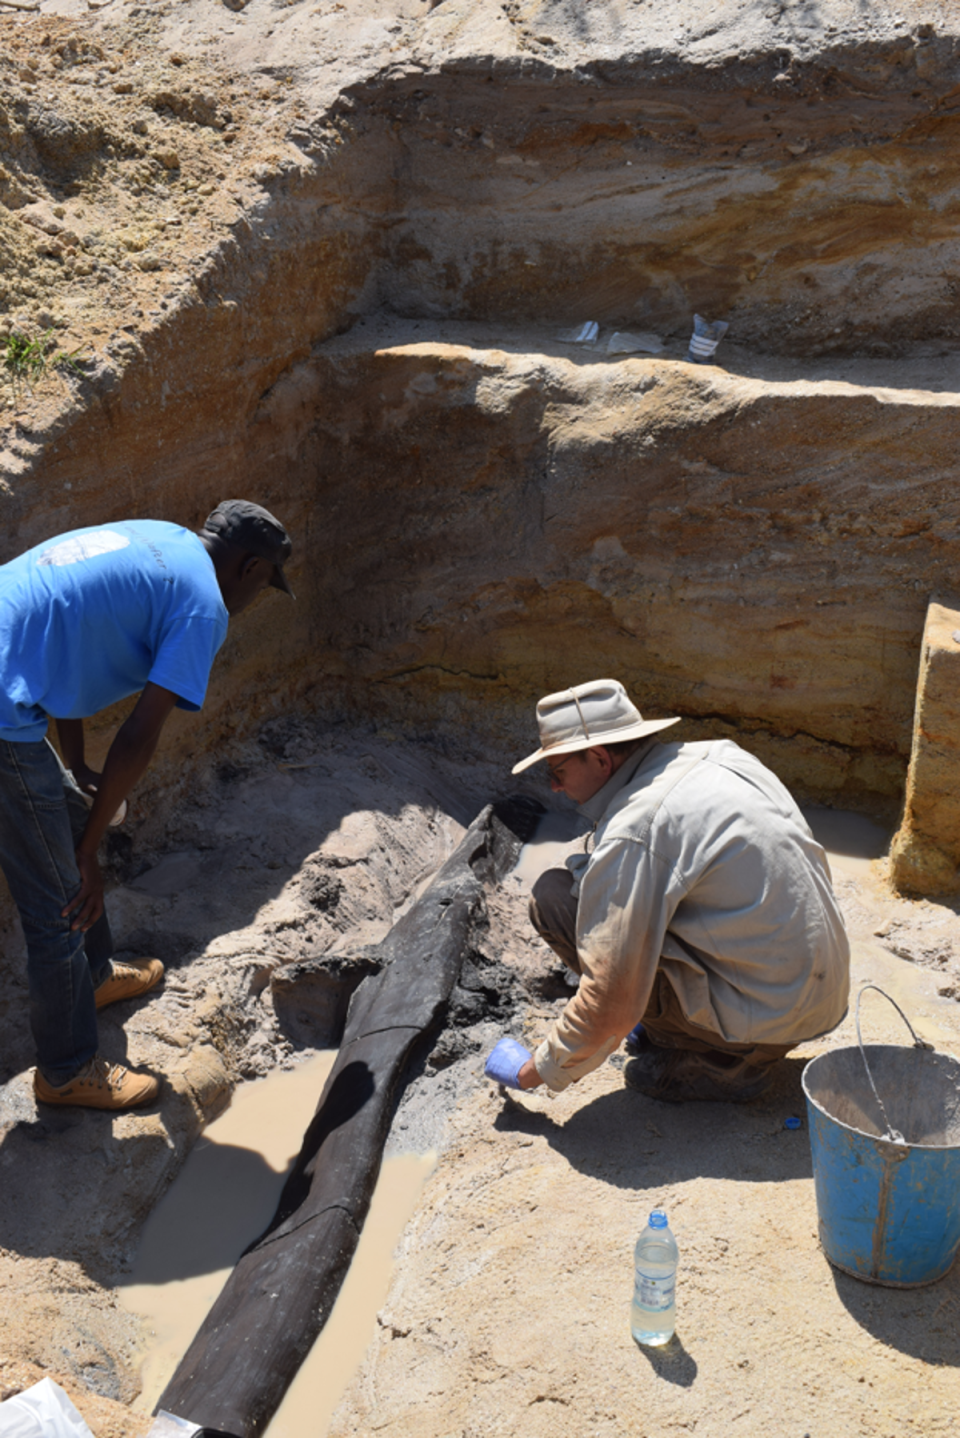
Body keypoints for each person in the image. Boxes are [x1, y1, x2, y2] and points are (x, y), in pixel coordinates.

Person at [0, 500, 294, 1111]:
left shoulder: (163, 540)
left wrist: (76, 767)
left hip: (10, 660)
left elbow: (64, 644)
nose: (258, 596)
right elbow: (139, 735)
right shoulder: (201, 607)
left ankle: (96, 974)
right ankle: (65, 1070)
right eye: (266, 581)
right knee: (60, 900)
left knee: (75, 806)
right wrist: (87, 856)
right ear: (246, 566)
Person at [486, 678, 850, 1103]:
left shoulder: (638, 827)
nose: (553, 786)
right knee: (594, 900)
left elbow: (609, 999)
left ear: (600, 758)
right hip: (818, 994)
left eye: (558, 771)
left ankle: (723, 1063)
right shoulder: (720, 754)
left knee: (553, 899)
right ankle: (693, 1031)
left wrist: (535, 1072)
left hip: (768, 1018)